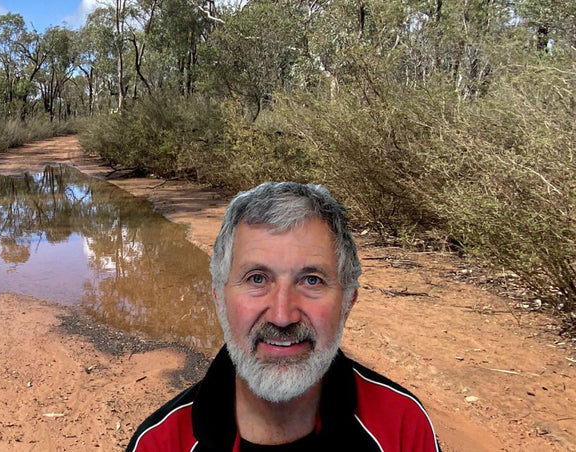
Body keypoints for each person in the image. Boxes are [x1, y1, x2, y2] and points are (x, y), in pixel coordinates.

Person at [127, 182, 439, 451]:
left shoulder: (403, 426)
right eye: (257, 279)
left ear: (348, 302)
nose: (282, 316)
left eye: (311, 280)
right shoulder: (160, 443)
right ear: (219, 299)